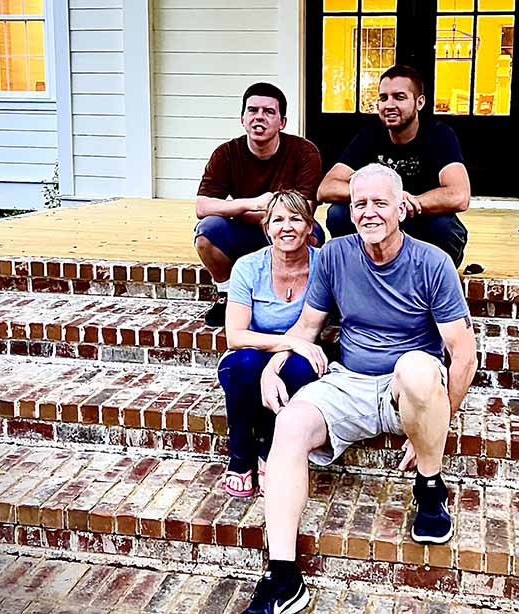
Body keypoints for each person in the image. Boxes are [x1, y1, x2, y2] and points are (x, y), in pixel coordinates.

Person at [242, 164, 478, 613]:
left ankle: (430, 485)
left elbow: (463, 354)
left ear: (402, 208)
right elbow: (308, 327)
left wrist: (434, 425)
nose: (369, 212)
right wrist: (273, 367)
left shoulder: (433, 262)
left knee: (416, 368)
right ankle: (283, 575)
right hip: (348, 381)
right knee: (289, 426)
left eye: (380, 203)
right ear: (350, 212)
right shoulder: (333, 256)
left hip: (408, 386)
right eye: (360, 204)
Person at [217, 190, 327, 497]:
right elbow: (235, 336)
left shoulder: (323, 266)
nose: (286, 226)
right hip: (253, 353)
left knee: (302, 366)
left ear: (309, 227)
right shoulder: (248, 267)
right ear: (267, 228)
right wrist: (286, 343)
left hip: (299, 355)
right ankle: (240, 456)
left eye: (296, 218)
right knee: (246, 363)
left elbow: (311, 329)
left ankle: (268, 451)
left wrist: (286, 354)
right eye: (278, 219)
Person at [194, 82, 325, 327]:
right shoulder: (226, 153)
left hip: (282, 229)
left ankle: (302, 299)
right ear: (242, 118)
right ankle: (227, 293)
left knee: (312, 234)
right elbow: (202, 206)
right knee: (207, 232)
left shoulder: (304, 152)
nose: (259, 118)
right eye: (252, 110)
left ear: (282, 122)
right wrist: (251, 204)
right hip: (245, 231)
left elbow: (304, 210)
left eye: (268, 112)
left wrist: (244, 212)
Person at [317, 64, 471, 268]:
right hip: (380, 220)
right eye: (383, 98)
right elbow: (326, 188)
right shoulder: (369, 136)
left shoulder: (439, 135)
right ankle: (361, 269)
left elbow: (459, 195)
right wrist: (387, 198)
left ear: (420, 102)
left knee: (445, 227)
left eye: (399, 97)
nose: (389, 105)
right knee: (339, 214)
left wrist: (410, 202)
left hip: (419, 219)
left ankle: (432, 275)